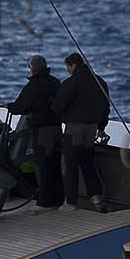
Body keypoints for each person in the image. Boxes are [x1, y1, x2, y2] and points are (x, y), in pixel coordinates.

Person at [52, 52, 110, 212]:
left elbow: (57, 107)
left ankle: (71, 201)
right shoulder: (100, 82)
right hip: (92, 128)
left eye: (67, 68)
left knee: (70, 164)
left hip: (74, 128)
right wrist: (102, 127)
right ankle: (96, 196)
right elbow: (106, 107)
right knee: (87, 162)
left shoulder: (71, 83)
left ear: (72, 65)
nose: (68, 71)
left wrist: (64, 116)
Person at [8, 54, 64, 212]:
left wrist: (9, 106)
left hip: (43, 130)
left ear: (32, 69)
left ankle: (45, 202)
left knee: (43, 164)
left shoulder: (34, 85)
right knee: (55, 163)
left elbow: (20, 106)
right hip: (57, 128)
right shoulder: (55, 82)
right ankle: (58, 200)